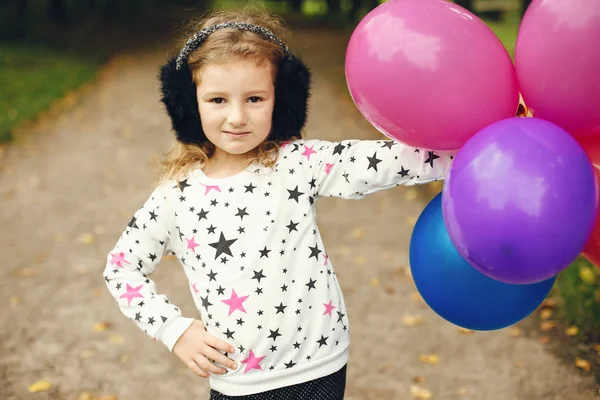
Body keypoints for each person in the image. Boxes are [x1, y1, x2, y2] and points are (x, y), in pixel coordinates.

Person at [102, 7, 454, 400]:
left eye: (255, 98)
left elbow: (378, 163)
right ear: (188, 104)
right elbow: (121, 269)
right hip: (240, 382)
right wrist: (174, 330)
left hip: (322, 364)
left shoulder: (297, 163)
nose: (237, 117)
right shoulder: (175, 197)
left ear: (281, 101)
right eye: (217, 99)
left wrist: (463, 153)